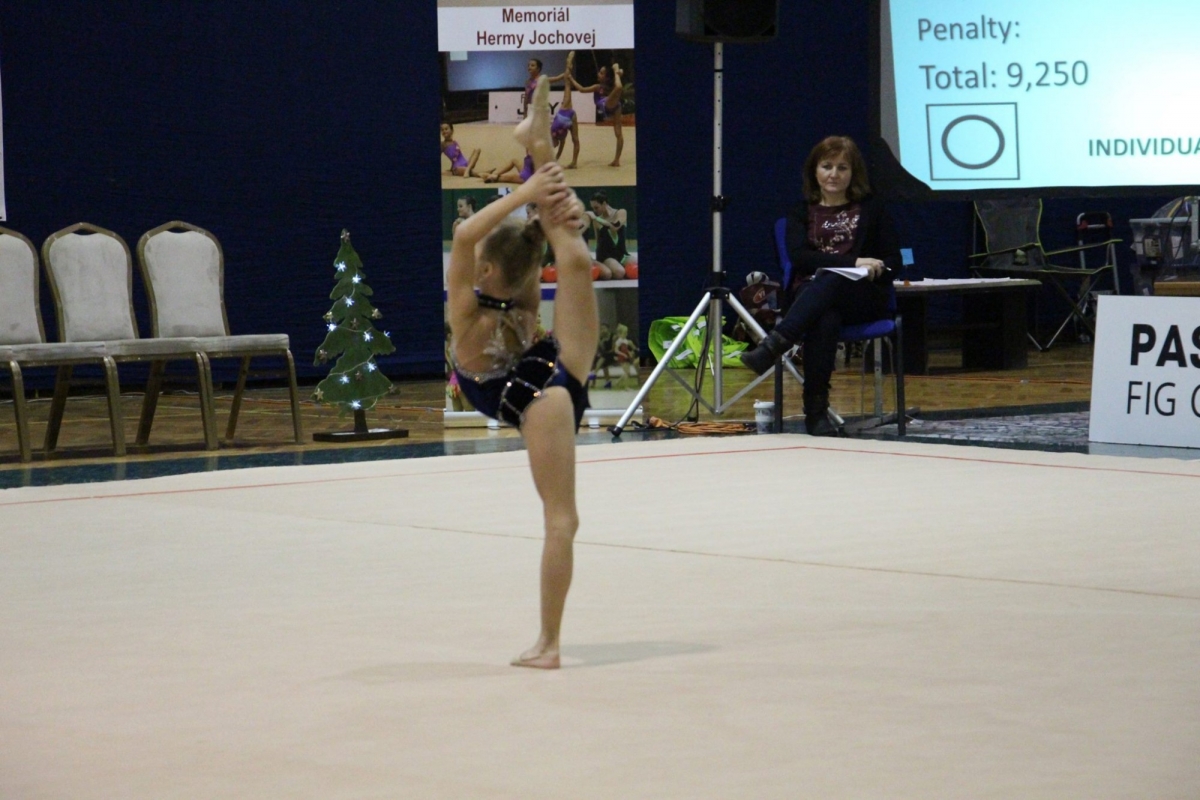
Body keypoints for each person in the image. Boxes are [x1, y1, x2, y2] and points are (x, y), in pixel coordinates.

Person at [447, 75, 598, 670]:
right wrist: (539, 194)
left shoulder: (468, 304)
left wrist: (535, 197)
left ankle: (549, 644)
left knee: (575, 255)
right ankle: (537, 140)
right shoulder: (500, 296)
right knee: (575, 255)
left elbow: (467, 234)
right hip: (549, 381)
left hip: (539, 388)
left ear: (485, 270)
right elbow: (478, 237)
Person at [739, 135, 901, 435]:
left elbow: (895, 261)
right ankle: (816, 413)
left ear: (853, 173)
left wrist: (877, 268)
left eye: (842, 168)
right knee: (825, 316)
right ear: (814, 171)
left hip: (861, 298)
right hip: (811, 297)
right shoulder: (801, 212)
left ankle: (776, 343)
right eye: (827, 166)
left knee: (834, 281)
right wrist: (853, 262)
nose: (834, 174)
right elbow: (800, 258)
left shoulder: (872, 209)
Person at [572, 61, 625, 167]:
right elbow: (582, 90)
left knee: (618, 133)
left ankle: (616, 160)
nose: (598, 74)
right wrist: (618, 73)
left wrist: (616, 71)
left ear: (607, 77)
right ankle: (616, 160)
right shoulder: (598, 87)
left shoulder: (603, 86)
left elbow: (582, 89)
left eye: (601, 73)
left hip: (608, 104)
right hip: (611, 104)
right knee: (618, 133)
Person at [546, 52, 581, 169]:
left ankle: (568, 64)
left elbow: (558, 143)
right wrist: (556, 159)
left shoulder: (552, 131)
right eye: (554, 146)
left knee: (567, 86)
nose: (555, 146)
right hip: (571, 117)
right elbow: (562, 146)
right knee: (575, 139)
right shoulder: (560, 139)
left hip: (564, 112)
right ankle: (574, 162)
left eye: (553, 145)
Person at [585, 190, 628, 279]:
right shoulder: (596, 221)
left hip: (622, 254)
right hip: (606, 256)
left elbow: (615, 226)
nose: (594, 211)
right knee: (620, 272)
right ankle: (608, 267)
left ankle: (615, 267)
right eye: (593, 208)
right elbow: (598, 241)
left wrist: (596, 218)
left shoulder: (621, 212)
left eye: (596, 207)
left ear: (604, 203)